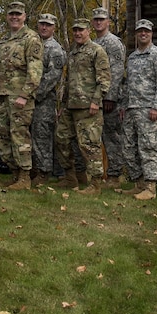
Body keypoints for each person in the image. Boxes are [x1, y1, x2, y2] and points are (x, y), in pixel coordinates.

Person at [0, 0, 43, 190]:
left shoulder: (31, 38)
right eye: (11, 14)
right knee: (1, 136)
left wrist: (25, 95)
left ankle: (25, 176)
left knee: (19, 135)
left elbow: (35, 71)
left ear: (24, 17)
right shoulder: (4, 40)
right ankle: (15, 173)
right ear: (7, 17)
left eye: (18, 14)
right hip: (2, 96)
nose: (14, 17)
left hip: (20, 97)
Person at [54, 18, 111, 195]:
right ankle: (71, 177)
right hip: (71, 106)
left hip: (88, 107)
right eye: (75, 30)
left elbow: (104, 79)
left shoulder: (96, 51)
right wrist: (63, 104)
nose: (78, 33)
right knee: (61, 138)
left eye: (81, 30)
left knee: (90, 145)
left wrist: (96, 101)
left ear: (88, 31)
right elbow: (69, 81)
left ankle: (95, 184)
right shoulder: (73, 52)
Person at [120, 19, 157, 201]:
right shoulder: (132, 57)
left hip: (149, 110)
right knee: (128, 147)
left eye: (146, 31)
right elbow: (127, 85)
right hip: (131, 109)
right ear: (136, 34)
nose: (143, 34)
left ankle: (150, 187)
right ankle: (138, 183)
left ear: (151, 33)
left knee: (148, 148)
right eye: (140, 31)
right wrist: (123, 105)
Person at [91, 7, 126, 188]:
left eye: (102, 19)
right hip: (96, 99)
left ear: (108, 22)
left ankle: (115, 175)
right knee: (100, 136)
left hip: (109, 100)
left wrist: (110, 97)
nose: (98, 22)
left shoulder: (113, 43)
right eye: (96, 19)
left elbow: (117, 70)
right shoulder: (94, 42)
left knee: (112, 137)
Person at [31, 12, 67, 186]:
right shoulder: (34, 44)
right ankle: (34, 170)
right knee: (32, 135)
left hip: (44, 100)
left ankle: (44, 172)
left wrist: (35, 94)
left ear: (54, 28)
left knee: (42, 136)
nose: (44, 27)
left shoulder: (55, 49)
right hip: (29, 98)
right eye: (41, 24)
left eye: (48, 25)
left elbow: (53, 76)